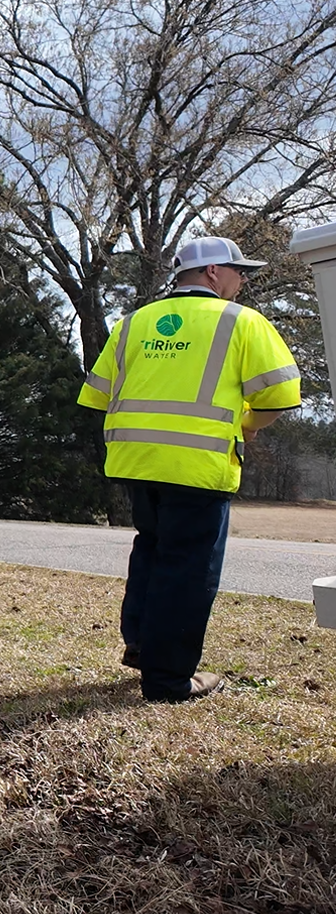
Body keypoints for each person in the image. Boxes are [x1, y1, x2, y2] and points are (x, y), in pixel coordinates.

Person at [77, 236, 302, 702]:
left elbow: (97, 394)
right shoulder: (241, 322)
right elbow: (279, 395)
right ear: (214, 273)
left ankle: (142, 645)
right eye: (240, 271)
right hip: (198, 465)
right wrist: (248, 424)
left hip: (136, 462)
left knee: (153, 550)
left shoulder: (132, 323)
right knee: (188, 568)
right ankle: (169, 680)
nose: (243, 280)